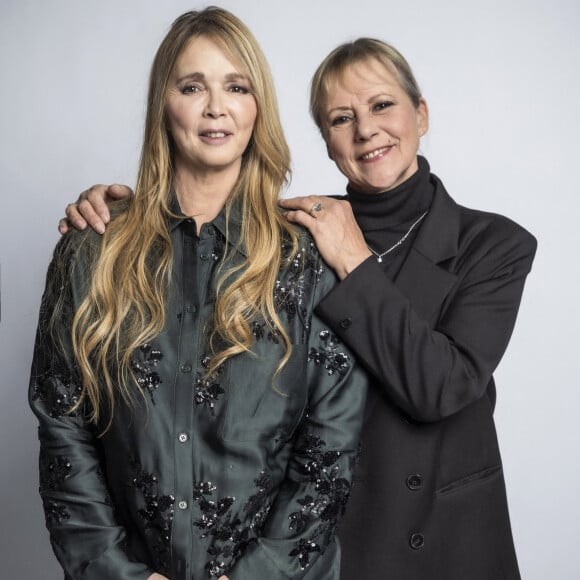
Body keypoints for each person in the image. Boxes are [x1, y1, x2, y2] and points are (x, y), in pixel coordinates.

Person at [61, 37, 537, 580]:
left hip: (446, 543)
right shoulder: (293, 239)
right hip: (331, 541)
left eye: (382, 105)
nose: (366, 130)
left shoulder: (494, 244)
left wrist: (356, 263)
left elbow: (440, 387)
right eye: (341, 118)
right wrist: (113, 215)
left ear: (420, 113)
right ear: (327, 143)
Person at [30, 8, 367, 580]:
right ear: (165, 102)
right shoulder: (93, 250)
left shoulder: (308, 256)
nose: (216, 106)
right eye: (193, 86)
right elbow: (63, 426)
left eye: (236, 86)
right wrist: (117, 573)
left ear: (257, 106)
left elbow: (331, 448)